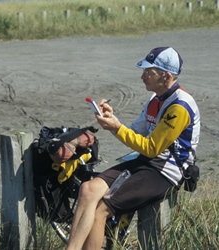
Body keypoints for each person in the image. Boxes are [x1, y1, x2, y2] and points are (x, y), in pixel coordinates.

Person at [66, 46, 200, 250]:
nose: (143, 76)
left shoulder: (180, 107)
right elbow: (135, 131)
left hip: (166, 171)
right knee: (88, 189)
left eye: (149, 72)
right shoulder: (155, 99)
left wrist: (117, 128)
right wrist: (112, 120)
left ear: (167, 76)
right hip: (148, 161)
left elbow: (151, 148)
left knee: (101, 209)